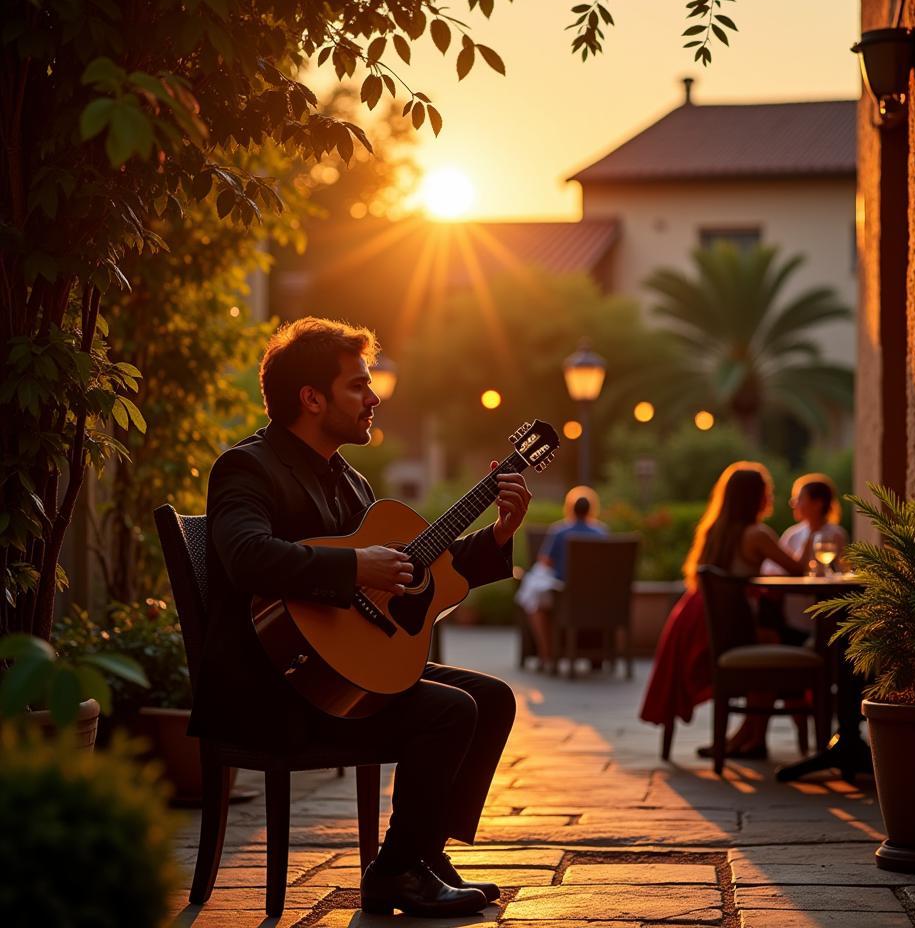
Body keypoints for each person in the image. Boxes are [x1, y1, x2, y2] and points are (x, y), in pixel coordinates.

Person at [188, 317, 532, 917]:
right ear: (311, 398)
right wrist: (353, 570)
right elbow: (245, 557)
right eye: (359, 386)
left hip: (335, 677)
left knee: (493, 697)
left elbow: (420, 572)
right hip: (273, 688)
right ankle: (397, 873)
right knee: (451, 710)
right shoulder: (248, 468)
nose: (374, 397)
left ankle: (420, 853)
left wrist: (498, 535)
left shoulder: (349, 480)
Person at [639, 462, 812, 758]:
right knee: (779, 645)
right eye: (766, 492)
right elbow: (797, 570)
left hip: (697, 619)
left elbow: (734, 576)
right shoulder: (757, 534)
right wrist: (814, 535)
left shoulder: (715, 531)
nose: (770, 497)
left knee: (772, 640)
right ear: (754, 497)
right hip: (729, 627)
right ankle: (754, 736)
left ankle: (749, 736)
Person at [514, 486, 608, 663]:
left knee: (535, 603)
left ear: (570, 507)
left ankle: (547, 652)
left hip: (565, 595)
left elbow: (545, 561)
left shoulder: (560, 531)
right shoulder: (601, 532)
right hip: (597, 598)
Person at [761, 473, 848, 639]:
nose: (793, 504)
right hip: (794, 611)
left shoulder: (836, 534)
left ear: (817, 504)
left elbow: (842, 569)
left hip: (825, 610)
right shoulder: (793, 534)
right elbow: (771, 568)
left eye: (799, 499)